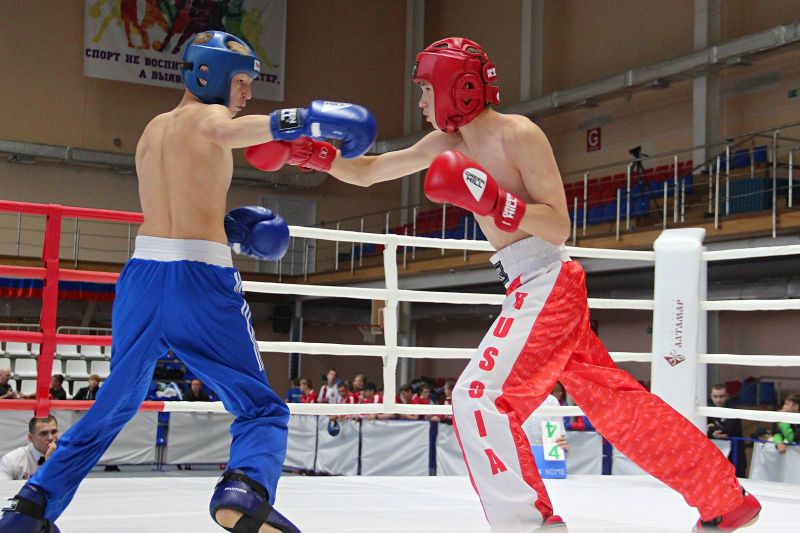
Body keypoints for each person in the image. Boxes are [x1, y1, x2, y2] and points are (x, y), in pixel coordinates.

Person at [244, 36, 761, 531]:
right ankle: (724, 500)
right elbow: (370, 171)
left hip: (548, 278)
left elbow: (559, 225)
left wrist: (497, 202)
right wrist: (308, 153)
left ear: (456, 89)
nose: (420, 102)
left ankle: (529, 523)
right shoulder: (445, 142)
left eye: (426, 89)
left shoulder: (519, 134)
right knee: (617, 404)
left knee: (479, 397)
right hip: (526, 281)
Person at [0, 30, 375, 533]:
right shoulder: (209, 119)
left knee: (113, 406)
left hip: (142, 274)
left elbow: (181, 200)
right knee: (261, 408)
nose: (247, 94)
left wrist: (225, 228)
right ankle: (244, 490)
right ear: (208, 75)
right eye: (241, 82)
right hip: (199, 278)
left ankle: (31, 508)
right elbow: (221, 131)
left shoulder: (152, 129)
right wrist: (305, 119)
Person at [0, 416, 59, 481]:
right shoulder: (12, 459)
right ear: (31, 438)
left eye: (54, 432)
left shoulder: (65, 457)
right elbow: (3, 486)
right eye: (43, 433)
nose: (50, 438)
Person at [707, 384, 747, 477]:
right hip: (714, 453)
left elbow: (728, 430)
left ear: (727, 396)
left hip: (735, 453)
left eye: (721, 396)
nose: (718, 400)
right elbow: (703, 427)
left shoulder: (733, 409)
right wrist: (711, 432)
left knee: (737, 479)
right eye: (715, 396)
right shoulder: (707, 408)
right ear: (711, 396)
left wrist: (712, 428)